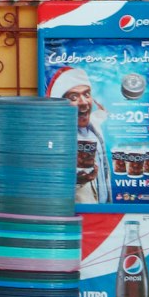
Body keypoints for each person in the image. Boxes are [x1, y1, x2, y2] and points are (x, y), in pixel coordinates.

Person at [47, 66, 112, 204]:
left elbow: (100, 116)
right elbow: (47, 179)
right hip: (77, 216)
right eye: (74, 97)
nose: (83, 102)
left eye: (87, 94)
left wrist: (103, 111)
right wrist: (76, 181)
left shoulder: (93, 125)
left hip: (104, 211)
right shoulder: (54, 136)